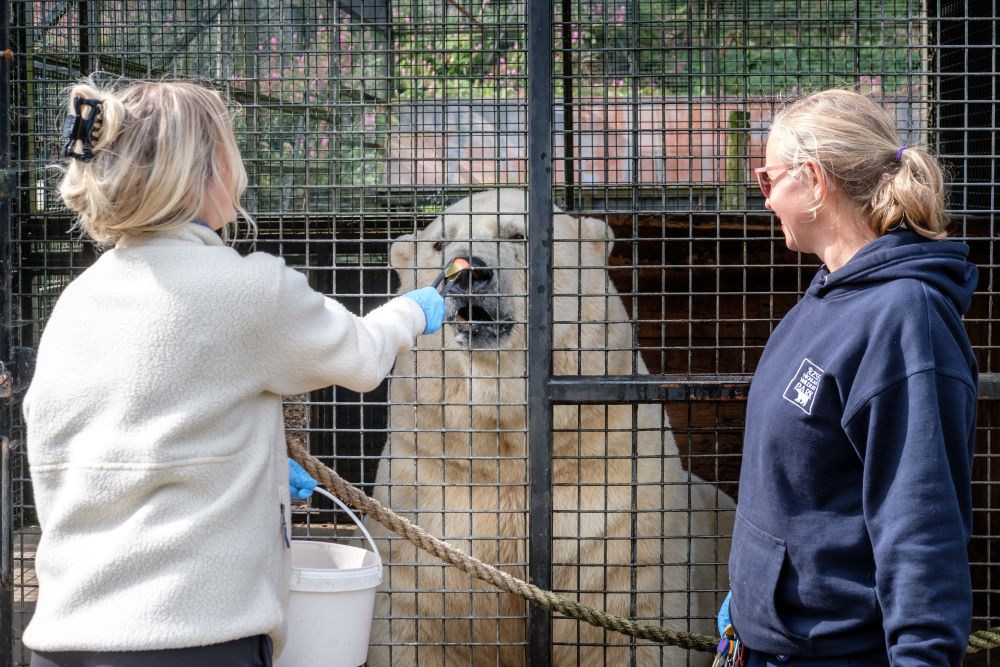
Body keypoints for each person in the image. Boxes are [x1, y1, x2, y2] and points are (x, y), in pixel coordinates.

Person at [22, 78, 445, 667]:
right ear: (204, 171)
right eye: (228, 150)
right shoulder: (249, 288)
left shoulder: (78, 300)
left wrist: (265, 471)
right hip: (193, 635)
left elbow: (141, 437)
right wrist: (413, 309)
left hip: (63, 637)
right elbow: (361, 356)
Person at [722, 89, 978, 667]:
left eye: (768, 179)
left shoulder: (904, 318)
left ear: (814, 180)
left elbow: (921, 523)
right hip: (768, 645)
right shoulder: (827, 296)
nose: (765, 202)